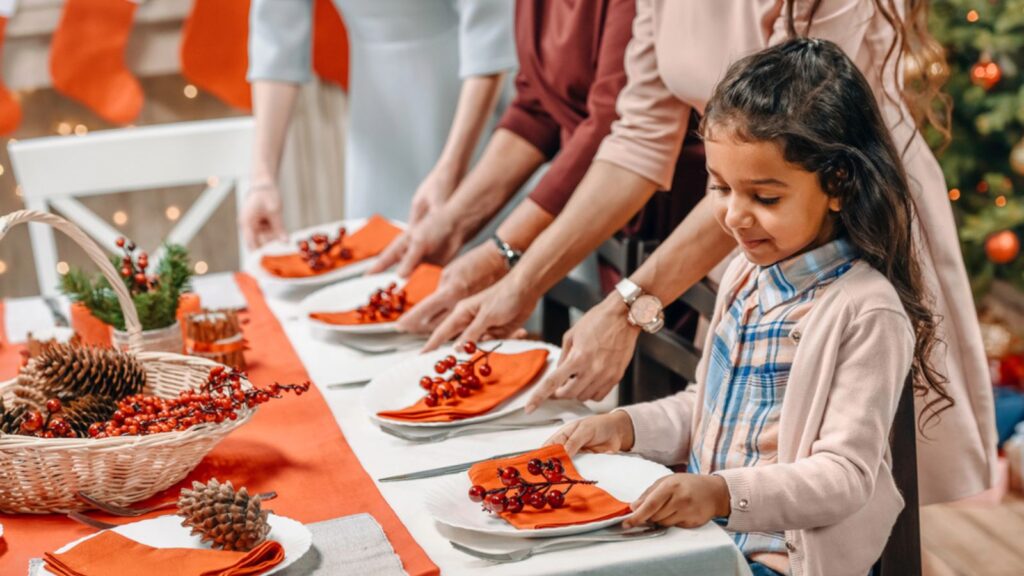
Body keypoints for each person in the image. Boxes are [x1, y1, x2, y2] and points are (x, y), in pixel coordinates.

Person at [425, 0, 995, 506]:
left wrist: (631, 303)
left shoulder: (858, 300)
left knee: (870, 480)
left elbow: (804, 136)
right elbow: (639, 136)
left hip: (843, 219)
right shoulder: (747, 262)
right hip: (760, 223)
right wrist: (515, 275)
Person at [547, 38, 943, 576]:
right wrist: (624, 427)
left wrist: (718, 494)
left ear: (837, 184)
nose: (735, 216)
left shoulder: (866, 311)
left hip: (781, 562)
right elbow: (708, 409)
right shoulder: (744, 275)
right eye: (721, 188)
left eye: (765, 197)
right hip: (710, 541)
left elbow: (844, 476)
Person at [366, 0, 705, 336]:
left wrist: (504, 254)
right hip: (601, 198)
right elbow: (536, 107)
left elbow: (619, 125)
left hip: (675, 201)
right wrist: (452, 221)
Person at [241, 0, 517, 248]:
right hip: (374, 122)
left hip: (469, 108)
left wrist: (452, 169)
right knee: (377, 268)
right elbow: (275, 39)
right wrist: (262, 181)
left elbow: (489, 36)